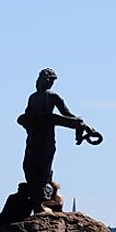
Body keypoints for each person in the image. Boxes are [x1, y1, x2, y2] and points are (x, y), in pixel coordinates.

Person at [21, 68, 82, 205]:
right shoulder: (33, 97)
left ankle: (43, 197)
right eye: (49, 80)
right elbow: (26, 118)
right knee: (29, 166)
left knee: (44, 167)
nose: (50, 83)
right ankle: (36, 194)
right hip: (33, 138)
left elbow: (67, 114)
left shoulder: (53, 97)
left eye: (52, 81)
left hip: (46, 138)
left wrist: (79, 123)